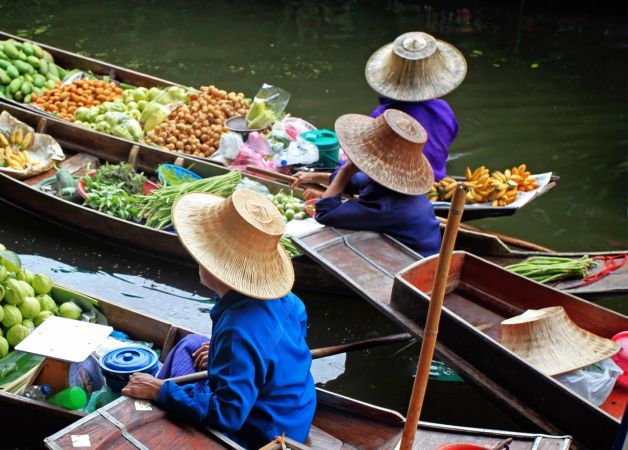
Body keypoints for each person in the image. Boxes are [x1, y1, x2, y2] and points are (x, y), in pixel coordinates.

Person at [121, 189, 316, 449]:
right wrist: (218, 355)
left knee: (168, 383)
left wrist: (161, 391)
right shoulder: (290, 301)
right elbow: (275, 352)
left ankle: (146, 402)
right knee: (189, 344)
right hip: (296, 410)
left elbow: (228, 415)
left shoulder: (238, 329)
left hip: (265, 434)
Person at [292, 109, 441, 257]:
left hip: (413, 262)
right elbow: (356, 181)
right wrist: (313, 177)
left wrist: (346, 169)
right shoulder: (392, 184)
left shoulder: (385, 208)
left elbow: (324, 213)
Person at [363, 31, 466, 180]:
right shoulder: (444, 110)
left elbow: (365, 158)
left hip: (395, 186)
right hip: (435, 180)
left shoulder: (382, 116)